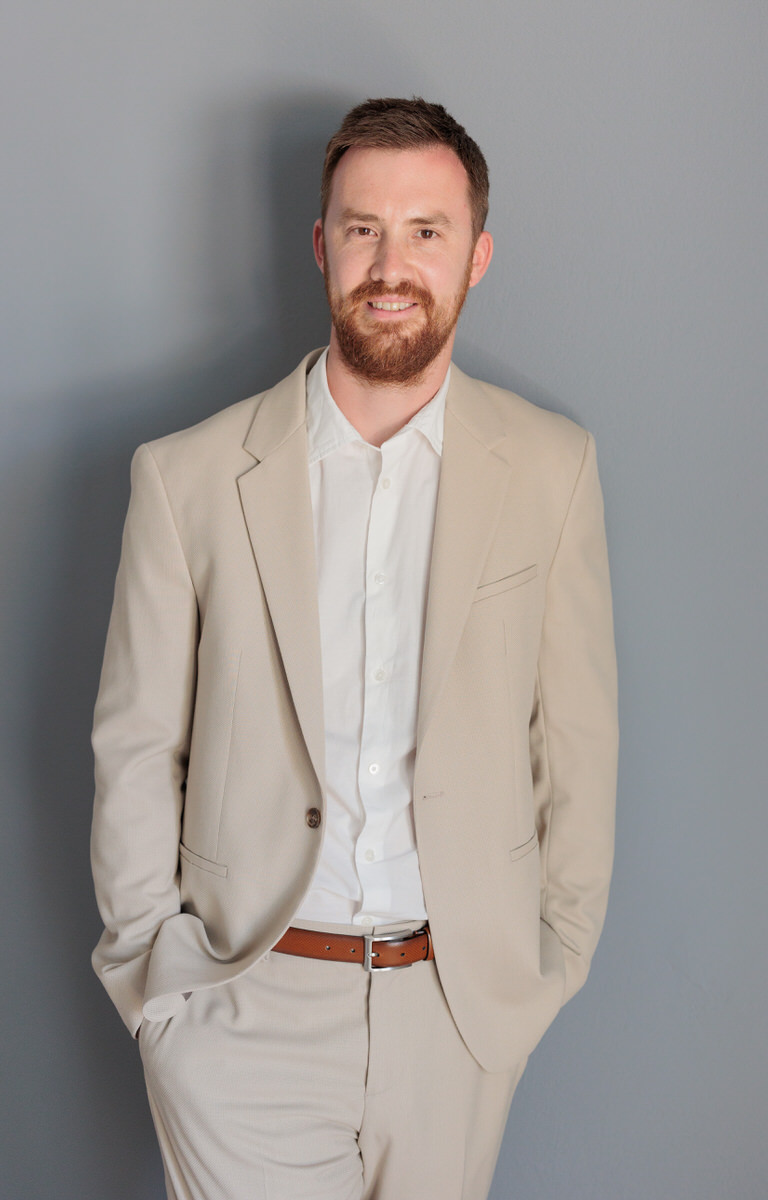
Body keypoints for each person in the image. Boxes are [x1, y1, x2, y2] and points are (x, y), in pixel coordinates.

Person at [90, 96, 618, 1200]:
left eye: (425, 230)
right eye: (363, 228)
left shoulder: (552, 467)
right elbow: (137, 746)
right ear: (321, 245)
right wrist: (160, 993)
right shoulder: (186, 478)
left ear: (476, 255)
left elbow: (575, 743)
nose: (391, 264)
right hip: (245, 1007)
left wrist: (546, 967)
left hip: (458, 1015)